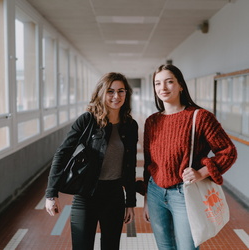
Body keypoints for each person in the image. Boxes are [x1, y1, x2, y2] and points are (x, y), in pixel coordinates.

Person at [142, 64, 237, 250]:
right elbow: (148, 162)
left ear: (180, 85)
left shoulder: (200, 117)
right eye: (158, 83)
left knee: (188, 247)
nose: (163, 88)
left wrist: (202, 173)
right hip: (155, 193)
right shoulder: (152, 121)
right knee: (164, 247)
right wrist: (146, 198)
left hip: (184, 194)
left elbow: (228, 151)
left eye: (169, 82)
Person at [45, 72, 138, 250]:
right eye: (110, 91)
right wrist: (51, 193)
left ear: (127, 94)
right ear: (101, 93)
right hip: (86, 195)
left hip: (114, 196)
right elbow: (62, 153)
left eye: (121, 91)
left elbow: (130, 165)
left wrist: (130, 203)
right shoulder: (87, 120)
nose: (116, 96)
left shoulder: (130, 125)